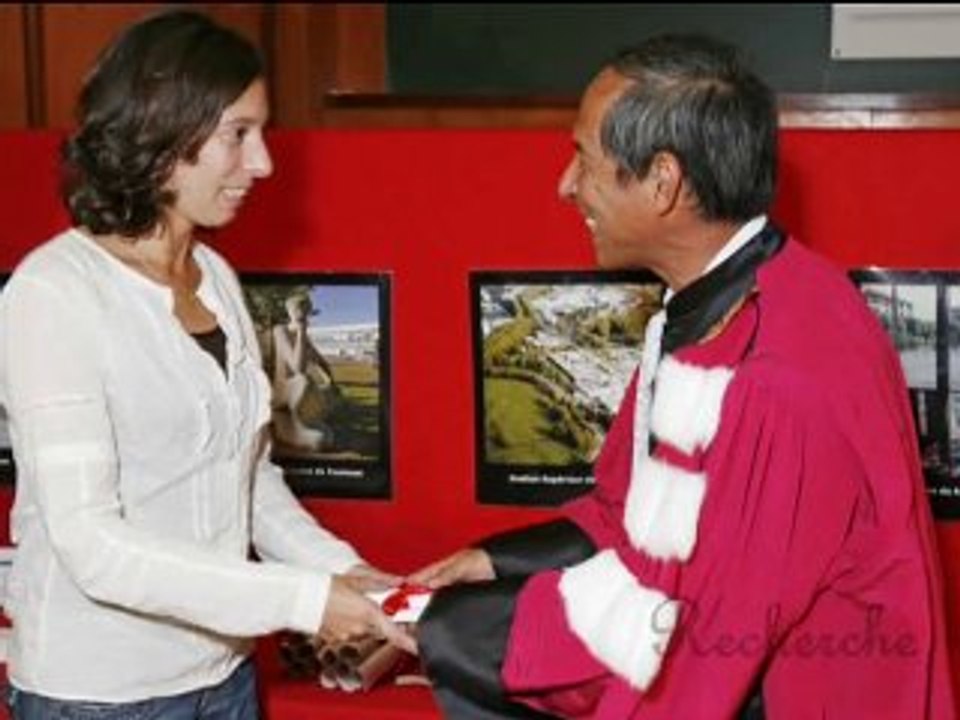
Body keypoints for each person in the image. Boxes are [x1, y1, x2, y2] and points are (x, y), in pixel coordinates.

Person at [410, 34, 956, 719]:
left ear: (663, 181)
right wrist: (495, 562)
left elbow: (690, 652)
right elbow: (629, 511)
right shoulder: (737, 295)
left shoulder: (772, 380)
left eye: (585, 158)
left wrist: (446, 628)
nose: (566, 184)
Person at [0, 10, 411, 720]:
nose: (264, 164)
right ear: (162, 132)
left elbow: (245, 480)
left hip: (224, 677)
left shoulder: (214, 274)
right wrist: (303, 600)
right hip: (101, 696)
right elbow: (92, 545)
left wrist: (345, 571)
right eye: (238, 135)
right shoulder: (52, 294)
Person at [270, 293, 340, 453]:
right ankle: (295, 424)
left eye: (304, 309)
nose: (301, 312)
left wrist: (331, 381)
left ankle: (305, 421)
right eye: (298, 309)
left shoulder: (304, 337)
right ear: (289, 311)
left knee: (312, 384)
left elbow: (321, 361)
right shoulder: (280, 331)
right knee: (303, 380)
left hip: (294, 391)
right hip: (282, 391)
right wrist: (301, 330)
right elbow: (297, 368)